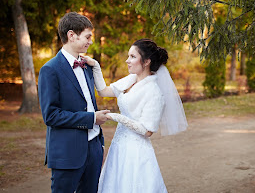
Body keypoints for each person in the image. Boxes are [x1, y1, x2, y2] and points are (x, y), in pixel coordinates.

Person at [82, 39, 188, 193]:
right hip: (119, 147)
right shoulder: (131, 80)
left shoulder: (154, 92)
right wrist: (96, 66)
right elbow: (104, 91)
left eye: (132, 56)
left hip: (136, 151)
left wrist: (115, 117)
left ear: (146, 62)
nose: (127, 60)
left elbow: (147, 131)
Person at [38, 12, 110, 193]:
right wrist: (91, 118)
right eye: (87, 36)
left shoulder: (87, 66)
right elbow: (51, 116)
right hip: (67, 152)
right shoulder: (50, 70)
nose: (90, 41)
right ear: (71, 35)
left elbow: (87, 102)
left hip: (93, 148)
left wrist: (99, 146)